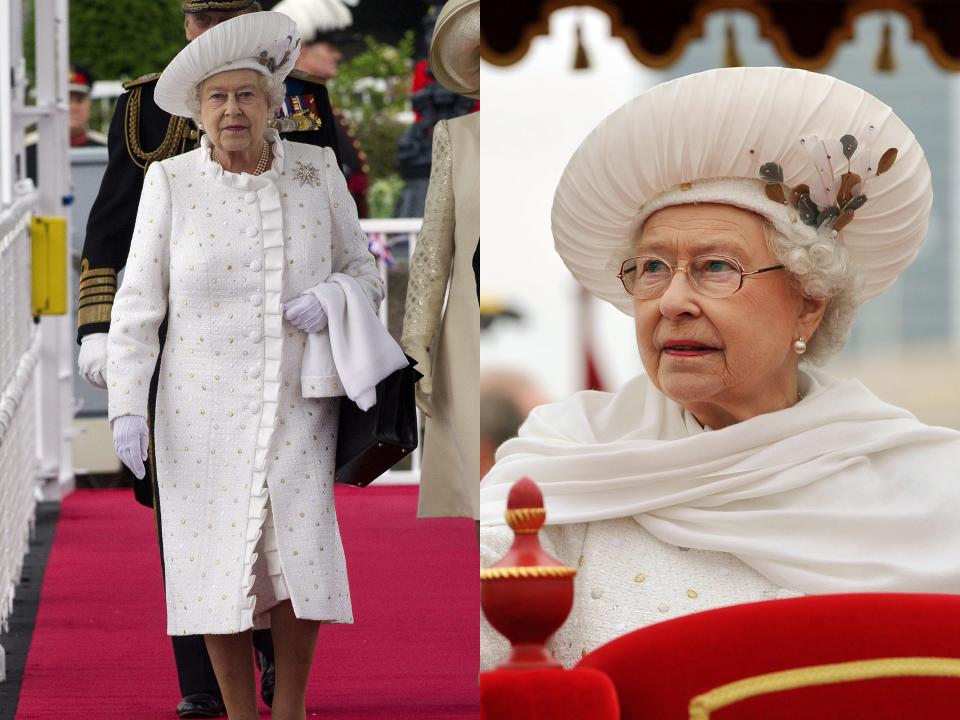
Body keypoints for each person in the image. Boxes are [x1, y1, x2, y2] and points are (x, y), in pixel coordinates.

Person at [479, 66, 960, 669]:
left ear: (808, 306)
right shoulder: (569, 455)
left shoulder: (933, 483)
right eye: (652, 268)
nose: (672, 300)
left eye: (714, 267)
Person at [105, 12, 382, 719]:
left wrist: (334, 294)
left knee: (298, 557)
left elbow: (366, 270)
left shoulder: (316, 170)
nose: (233, 110)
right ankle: (235, 711)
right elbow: (138, 304)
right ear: (199, 111)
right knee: (211, 563)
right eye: (218, 98)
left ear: (273, 103)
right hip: (196, 408)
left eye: (247, 96)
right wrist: (127, 407)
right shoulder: (170, 181)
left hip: (299, 399)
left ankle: (288, 708)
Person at [401, 0, 480, 521]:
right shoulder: (456, 136)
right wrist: (416, 346)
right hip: (473, 330)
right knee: (487, 485)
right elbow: (434, 251)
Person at [276, 0, 371, 217]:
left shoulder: (311, 98)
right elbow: (305, 174)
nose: (337, 56)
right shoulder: (295, 100)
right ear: (303, 52)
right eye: (330, 48)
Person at [25, 64, 106, 183]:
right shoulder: (26, 151)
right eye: (66, 100)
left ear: (89, 105)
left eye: (79, 100)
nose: (73, 107)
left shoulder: (108, 151)